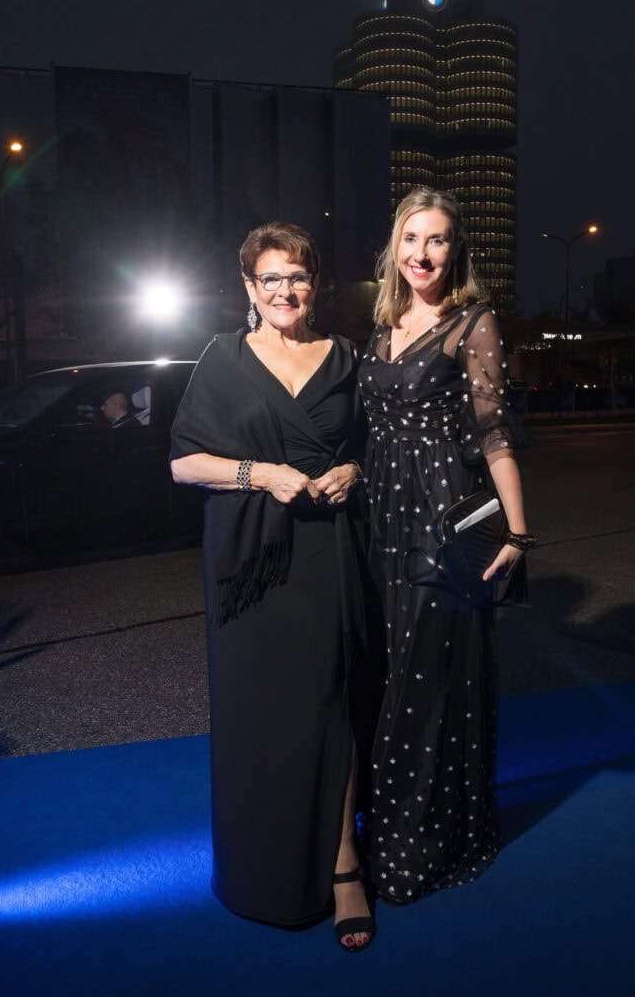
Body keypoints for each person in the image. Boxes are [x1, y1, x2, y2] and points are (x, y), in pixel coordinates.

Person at [170, 221, 377, 952]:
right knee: (259, 718)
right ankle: (258, 867)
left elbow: (370, 446)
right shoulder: (220, 359)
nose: (285, 290)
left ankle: (344, 865)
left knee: (331, 705)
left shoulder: (346, 356)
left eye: (298, 276)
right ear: (248, 287)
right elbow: (183, 463)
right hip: (251, 572)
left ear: (314, 285)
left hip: (330, 553)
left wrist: (353, 469)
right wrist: (260, 474)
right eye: (271, 278)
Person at [357, 187, 534, 905]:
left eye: (436, 240)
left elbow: (494, 432)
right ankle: (378, 833)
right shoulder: (381, 325)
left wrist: (517, 531)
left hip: (439, 523)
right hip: (378, 521)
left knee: (426, 684)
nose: (422, 254)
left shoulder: (473, 322)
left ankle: (421, 847)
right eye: (411, 238)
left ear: (456, 249)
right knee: (384, 672)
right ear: (394, 248)